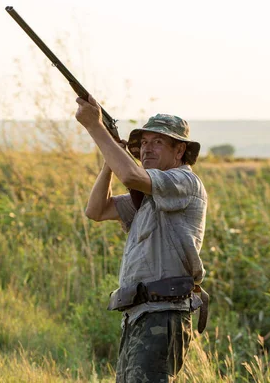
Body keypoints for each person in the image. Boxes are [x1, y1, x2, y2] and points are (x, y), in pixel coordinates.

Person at [75, 94, 208, 382]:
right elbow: (96, 210)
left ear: (179, 150)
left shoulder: (184, 181)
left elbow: (132, 177)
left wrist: (95, 128)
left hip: (163, 314)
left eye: (158, 142)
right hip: (138, 315)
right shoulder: (146, 198)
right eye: (144, 143)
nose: (147, 148)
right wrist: (110, 163)